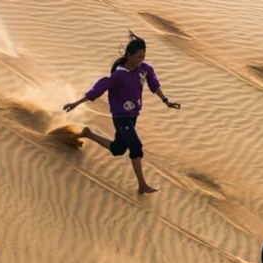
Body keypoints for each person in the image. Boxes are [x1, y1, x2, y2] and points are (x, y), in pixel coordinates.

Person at [63, 31, 181, 194]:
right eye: (139, 56)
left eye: (143, 56)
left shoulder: (144, 69)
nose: (141, 60)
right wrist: (75, 103)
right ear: (129, 55)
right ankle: (142, 185)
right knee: (136, 146)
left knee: (118, 149)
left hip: (133, 116)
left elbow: (154, 84)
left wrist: (166, 101)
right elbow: (97, 90)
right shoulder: (118, 74)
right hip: (121, 117)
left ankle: (87, 133)